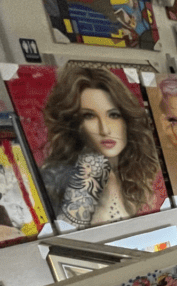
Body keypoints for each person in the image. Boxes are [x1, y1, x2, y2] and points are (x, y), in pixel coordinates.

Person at [42, 67, 161, 227]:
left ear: (128, 120)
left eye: (113, 115)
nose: (104, 129)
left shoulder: (127, 174)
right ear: (73, 123)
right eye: (89, 116)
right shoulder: (86, 173)